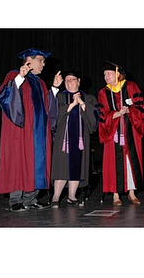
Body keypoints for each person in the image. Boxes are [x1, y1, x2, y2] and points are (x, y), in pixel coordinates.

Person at [0, 48, 63, 211]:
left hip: (39, 131)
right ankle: (16, 200)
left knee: (37, 162)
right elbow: (4, 96)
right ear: (29, 61)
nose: (43, 64)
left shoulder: (39, 83)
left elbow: (48, 106)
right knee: (19, 161)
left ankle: (30, 199)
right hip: (21, 130)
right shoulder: (14, 75)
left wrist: (53, 88)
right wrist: (20, 78)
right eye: (41, 60)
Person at [98, 61, 144, 206]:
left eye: (109, 73)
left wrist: (129, 111)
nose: (106, 76)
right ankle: (115, 195)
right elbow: (102, 114)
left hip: (130, 131)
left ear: (118, 73)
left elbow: (140, 106)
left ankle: (132, 193)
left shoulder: (131, 86)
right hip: (113, 134)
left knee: (130, 162)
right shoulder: (103, 92)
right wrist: (117, 113)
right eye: (104, 74)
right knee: (114, 163)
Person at [50, 70, 99, 207]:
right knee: (61, 166)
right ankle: (55, 197)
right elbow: (52, 115)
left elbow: (95, 120)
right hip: (62, 139)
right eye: (66, 80)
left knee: (78, 165)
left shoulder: (88, 98)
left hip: (80, 139)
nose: (69, 83)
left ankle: (72, 196)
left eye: (72, 80)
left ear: (78, 81)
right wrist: (71, 105)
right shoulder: (59, 97)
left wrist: (82, 103)